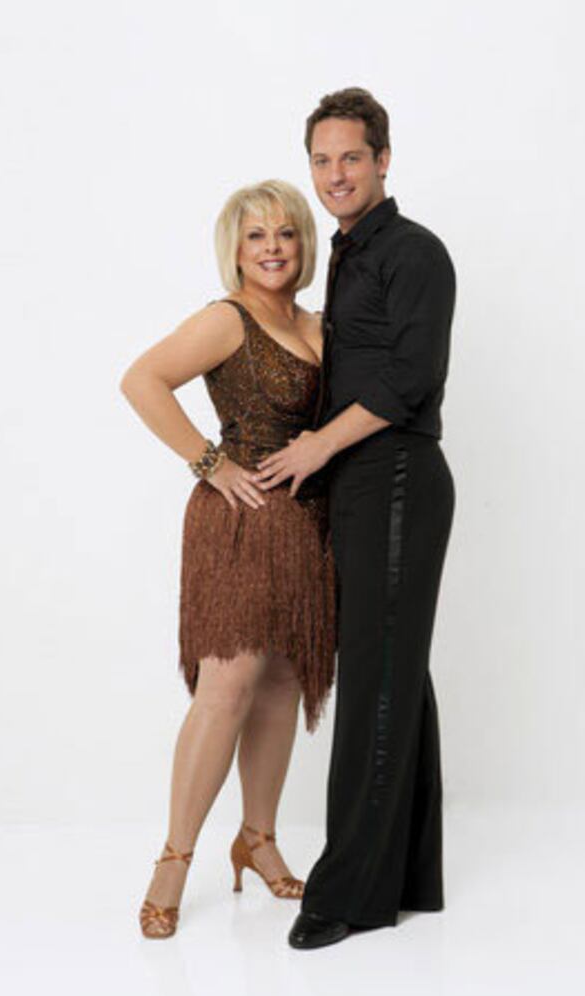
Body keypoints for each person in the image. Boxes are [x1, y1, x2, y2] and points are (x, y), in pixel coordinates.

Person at [254, 88, 456, 948]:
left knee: (374, 675)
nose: (334, 173)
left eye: (350, 157)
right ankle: (407, 875)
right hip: (361, 484)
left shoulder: (414, 251)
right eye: (321, 160)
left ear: (382, 160)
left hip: (398, 475)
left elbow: (408, 380)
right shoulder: (343, 254)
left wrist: (314, 448)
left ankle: (347, 896)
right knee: (395, 673)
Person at [120, 179, 335, 939]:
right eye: (256, 236)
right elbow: (141, 379)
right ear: (235, 251)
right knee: (227, 686)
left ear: (303, 242)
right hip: (238, 522)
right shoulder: (226, 318)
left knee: (281, 682)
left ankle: (258, 839)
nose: (273, 248)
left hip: (307, 525)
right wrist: (209, 463)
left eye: (285, 233)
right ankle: (173, 861)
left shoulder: (318, 324)